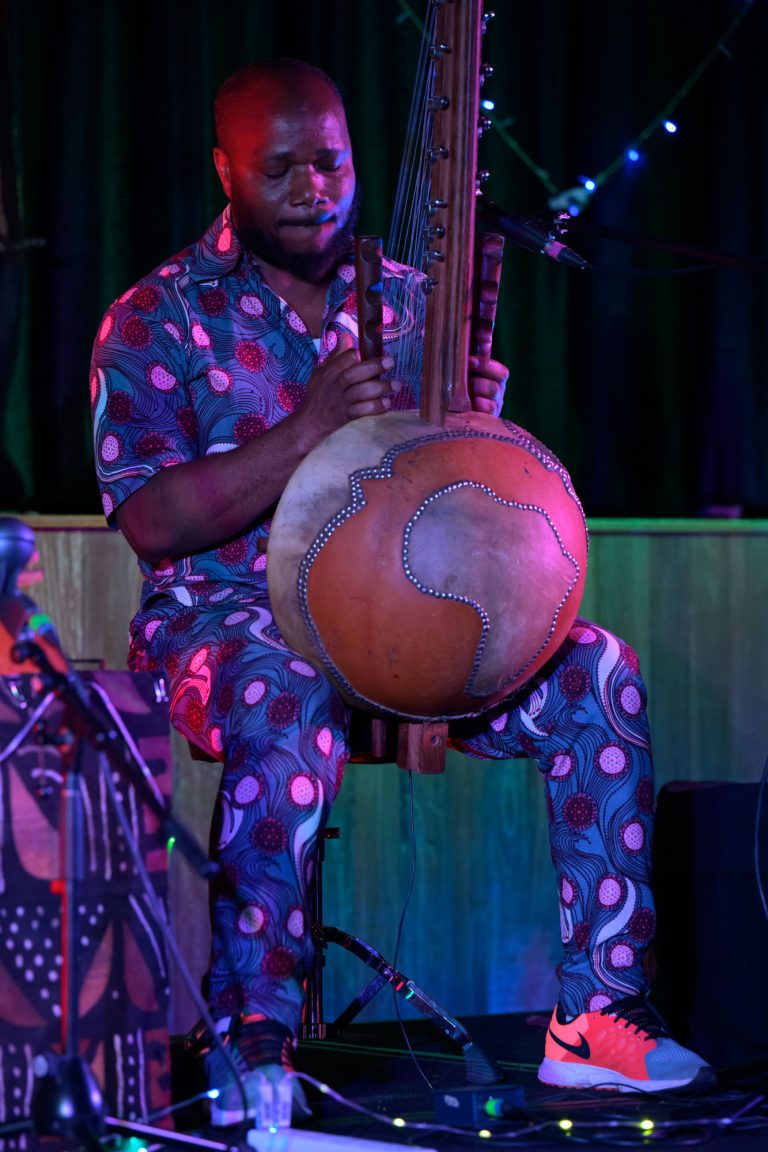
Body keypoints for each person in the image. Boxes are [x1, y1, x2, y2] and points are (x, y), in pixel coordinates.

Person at [89, 58, 714, 1126]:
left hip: (407, 619)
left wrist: (474, 429)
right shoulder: (158, 315)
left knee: (596, 673)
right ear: (224, 169)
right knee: (283, 686)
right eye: (279, 168)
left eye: (330, 163)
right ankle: (254, 1035)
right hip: (227, 627)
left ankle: (594, 1014)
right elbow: (150, 519)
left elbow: (450, 493)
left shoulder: (411, 297)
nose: (311, 187)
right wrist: (306, 432)